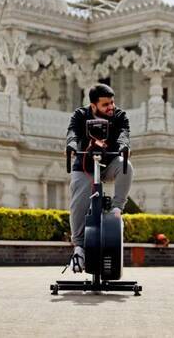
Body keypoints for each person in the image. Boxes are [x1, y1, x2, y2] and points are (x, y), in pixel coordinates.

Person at [65, 84, 134, 273]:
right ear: (93, 106)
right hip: (85, 165)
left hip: (110, 163)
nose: (111, 107)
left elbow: (124, 134)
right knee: (78, 197)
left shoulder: (119, 116)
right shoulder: (80, 115)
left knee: (126, 166)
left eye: (112, 102)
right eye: (106, 105)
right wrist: (71, 144)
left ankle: (117, 208)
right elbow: (72, 132)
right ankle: (79, 248)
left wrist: (123, 145)